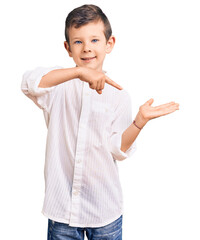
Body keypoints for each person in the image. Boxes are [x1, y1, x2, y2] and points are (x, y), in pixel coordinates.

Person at [21, 4, 179, 240]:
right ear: (67, 48)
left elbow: (118, 150)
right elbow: (28, 83)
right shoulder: (57, 86)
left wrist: (139, 122)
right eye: (78, 42)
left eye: (94, 40)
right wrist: (77, 73)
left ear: (109, 44)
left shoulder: (119, 96)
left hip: (104, 211)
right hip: (62, 210)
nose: (86, 49)